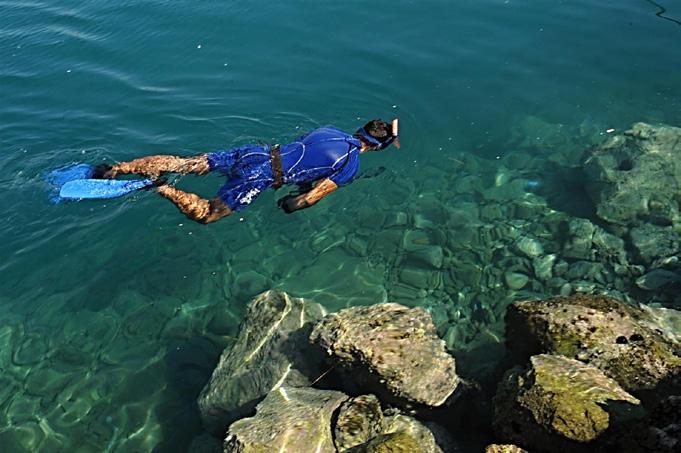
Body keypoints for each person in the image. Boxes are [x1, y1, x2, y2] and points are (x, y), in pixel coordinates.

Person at [96, 118, 400, 224]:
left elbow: (304, 149)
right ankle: (160, 187)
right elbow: (309, 199)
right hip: (262, 177)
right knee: (208, 214)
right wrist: (290, 206)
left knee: (186, 163)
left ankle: (117, 168)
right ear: (378, 146)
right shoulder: (350, 164)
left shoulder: (329, 130)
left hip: (258, 152)